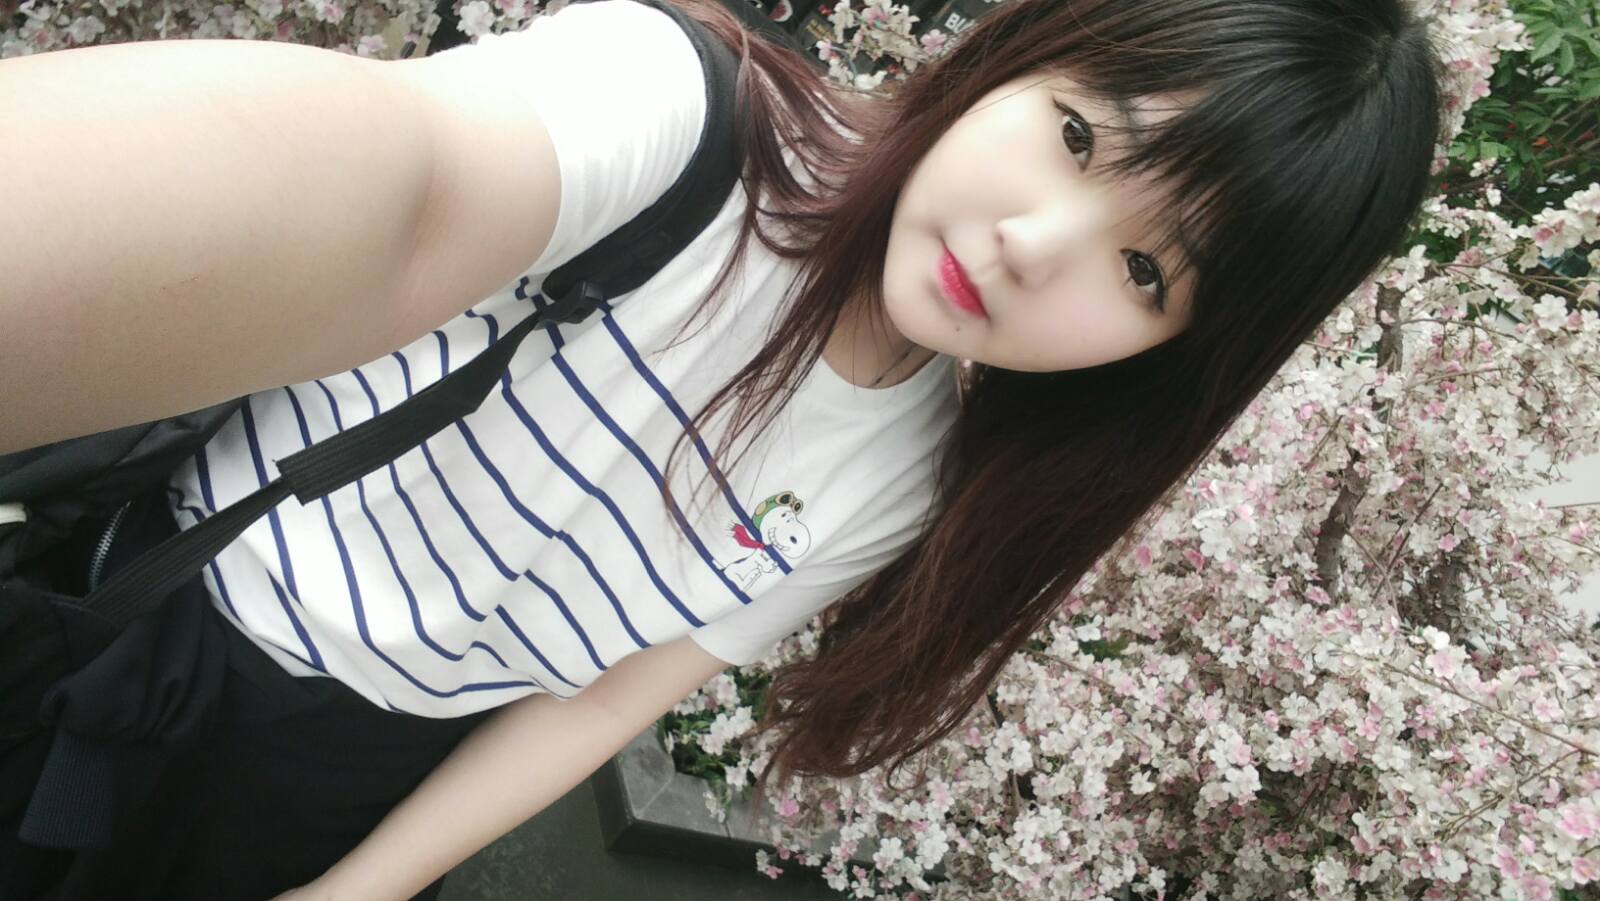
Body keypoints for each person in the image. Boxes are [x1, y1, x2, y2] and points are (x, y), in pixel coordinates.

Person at [0, 0, 1443, 895]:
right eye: (1077, 135)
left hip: (343, 784)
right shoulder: (683, 124)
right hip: (144, 617)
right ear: (1014, 57)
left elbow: (600, 698)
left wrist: (358, 890)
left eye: (1146, 272)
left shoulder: (908, 480)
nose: (1033, 246)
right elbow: (401, 176)